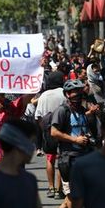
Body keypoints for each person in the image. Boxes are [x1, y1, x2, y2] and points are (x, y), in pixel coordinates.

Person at [51, 79, 98, 208]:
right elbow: (53, 132)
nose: (77, 95)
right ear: (67, 94)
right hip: (68, 158)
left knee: (80, 191)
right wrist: (75, 140)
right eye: (74, 92)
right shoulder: (62, 110)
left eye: (79, 91)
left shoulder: (83, 111)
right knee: (73, 193)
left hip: (83, 157)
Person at [34, 71, 66, 199]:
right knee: (61, 160)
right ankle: (59, 189)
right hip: (63, 131)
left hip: (48, 131)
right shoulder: (64, 93)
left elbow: (38, 116)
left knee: (50, 159)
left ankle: (51, 187)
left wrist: (44, 130)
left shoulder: (44, 96)